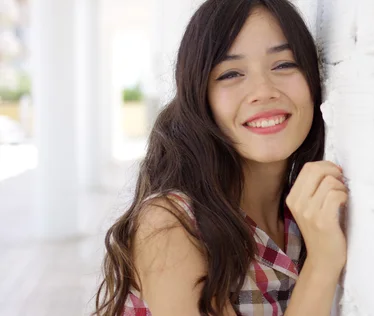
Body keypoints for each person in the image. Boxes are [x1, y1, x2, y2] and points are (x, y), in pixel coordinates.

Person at [93, 0, 348, 315]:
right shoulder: (172, 225)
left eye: (283, 64)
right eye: (231, 73)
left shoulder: (304, 214)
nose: (263, 90)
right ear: (201, 99)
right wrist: (322, 265)